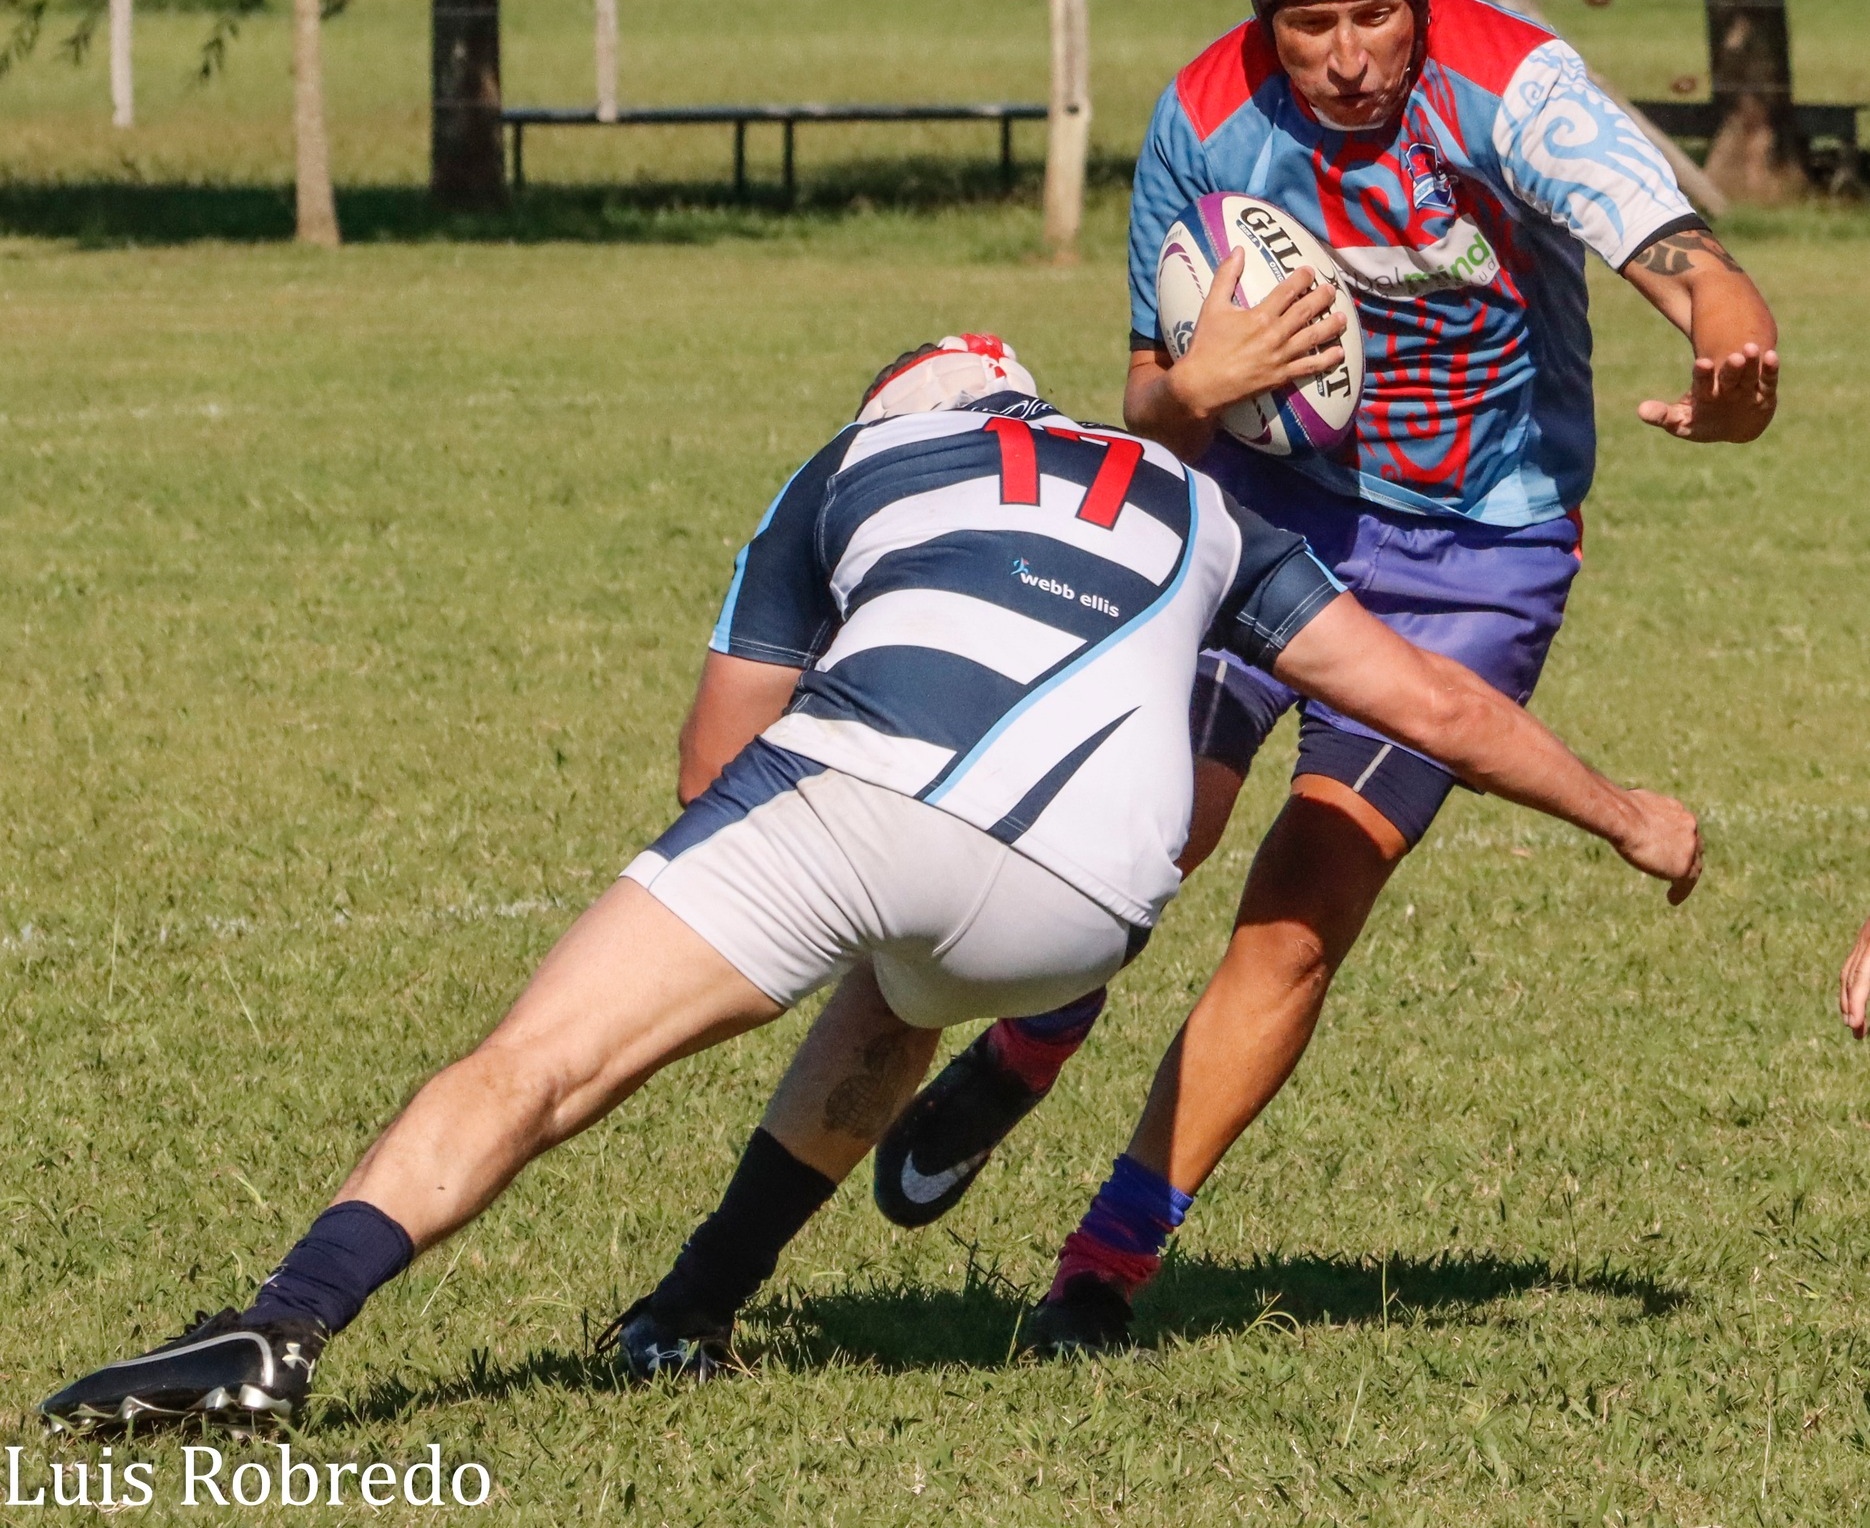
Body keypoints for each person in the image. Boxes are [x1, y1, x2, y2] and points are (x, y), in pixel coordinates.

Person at [43, 335, 1700, 1425]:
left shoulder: (848, 468)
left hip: (862, 801)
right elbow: (1423, 703)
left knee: (535, 1063)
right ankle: (691, 1310)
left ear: (895, 415)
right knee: (905, 983)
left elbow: (714, 766)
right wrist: (1624, 813)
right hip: (1090, 911)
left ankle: (280, 1329)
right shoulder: (1202, 501)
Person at [872, 0, 1779, 1356]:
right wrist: (1195, 391)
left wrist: (1727, 322)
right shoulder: (1206, 121)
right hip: (1257, 512)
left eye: (1376, 16)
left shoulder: (1512, 86)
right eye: (1312, 25)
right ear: (1263, 17)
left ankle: (1105, 1268)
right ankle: (1027, 1049)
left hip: (1476, 559)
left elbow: (1668, 243)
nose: (1350, 59)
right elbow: (1146, 412)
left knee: (1298, 915)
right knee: (1153, 823)